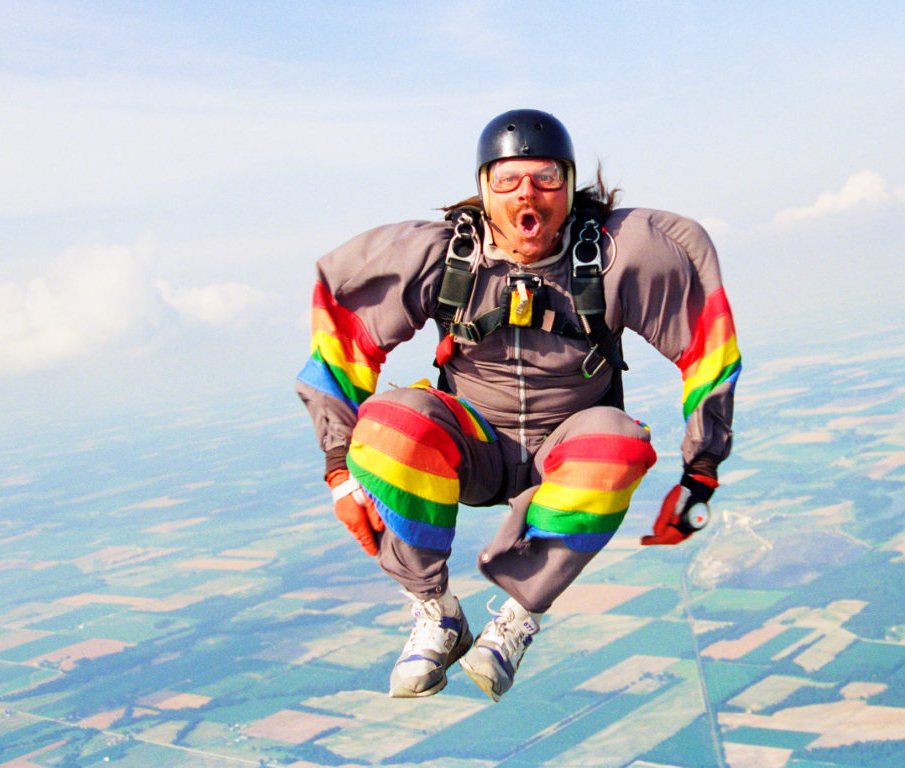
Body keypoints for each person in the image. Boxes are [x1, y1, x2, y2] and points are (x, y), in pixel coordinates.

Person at [295, 109, 740, 701]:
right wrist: (337, 471)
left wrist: (702, 466)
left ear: (569, 184)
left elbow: (705, 340)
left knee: (620, 443)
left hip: (569, 445)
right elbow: (342, 322)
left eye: (546, 178)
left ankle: (518, 616)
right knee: (391, 419)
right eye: (507, 181)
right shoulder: (444, 258)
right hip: (471, 448)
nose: (527, 193)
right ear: (483, 190)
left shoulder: (614, 255)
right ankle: (436, 612)